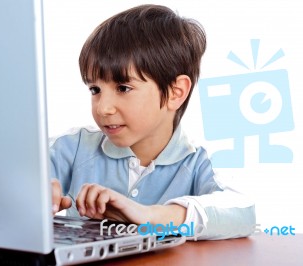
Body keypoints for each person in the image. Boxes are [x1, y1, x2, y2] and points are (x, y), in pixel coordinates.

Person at [50, 4, 255, 240]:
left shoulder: (199, 161)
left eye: (123, 88)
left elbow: (243, 212)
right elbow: (10, 175)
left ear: (175, 92)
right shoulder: (74, 146)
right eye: (95, 89)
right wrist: (29, 192)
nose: (103, 108)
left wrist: (149, 215)